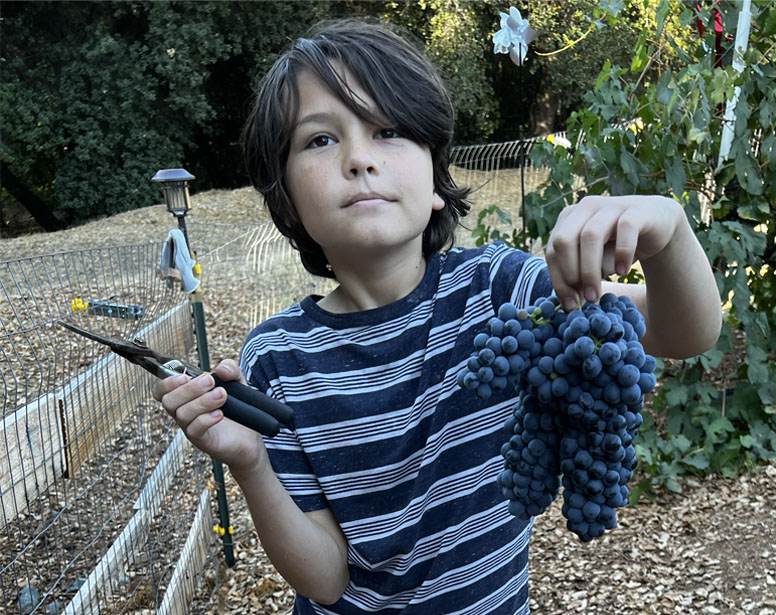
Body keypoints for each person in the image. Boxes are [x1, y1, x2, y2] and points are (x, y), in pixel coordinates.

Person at [153, 18, 722, 615]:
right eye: (320, 140)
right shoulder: (276, 358)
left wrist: (669, 230)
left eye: (389, 131)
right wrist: (250, 465)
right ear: (288, 200)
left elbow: (685, 332)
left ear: (435, 183)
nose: (359, 159)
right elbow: (323, 579)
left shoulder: (501, 290)